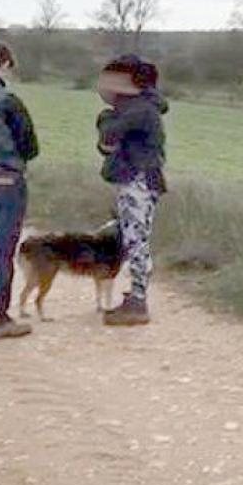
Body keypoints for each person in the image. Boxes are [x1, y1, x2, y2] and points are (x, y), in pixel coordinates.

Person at [96, 55, 167, 326]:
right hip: (138, 179)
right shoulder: (143, 108)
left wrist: (105, 120)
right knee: (133, 237)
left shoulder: (139, 110)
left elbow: (110, 135)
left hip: (138, 180)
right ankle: (136, 296)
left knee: (136, 240)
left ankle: (138, 300)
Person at [0, 43, 39, 340]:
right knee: (2, 252)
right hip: (5, 182)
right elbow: (30, 147)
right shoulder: (9, 101)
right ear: (5, 64)